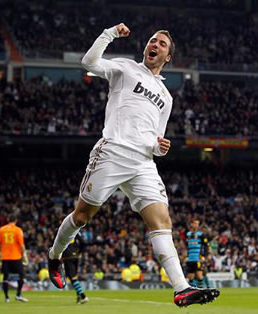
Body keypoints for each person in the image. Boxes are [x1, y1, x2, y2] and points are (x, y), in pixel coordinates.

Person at [47, 23, 219, 307]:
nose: (155, 44)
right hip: (113, 152)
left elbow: (156, 138)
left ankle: (181, 288)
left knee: (162, 221)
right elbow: (88, 62)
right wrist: (110, 33)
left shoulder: (166, 97)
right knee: (81, 217)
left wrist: (159, 148)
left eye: (162, 44)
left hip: (143, 163)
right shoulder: (125, 69)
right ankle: (55, 256)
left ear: (168, 57)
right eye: (153, 40)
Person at [0, 214, 28, 303]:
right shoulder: (18, 230)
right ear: (16, 220)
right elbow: (21, 244)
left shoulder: (1, 229)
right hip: (16, 256)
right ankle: (18, 294)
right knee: (21, 275)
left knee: (5, 277)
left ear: (8, 219)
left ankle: (6, 298)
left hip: (5, 257)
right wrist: (24, 255)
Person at [62, 233, 89, 304]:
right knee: (74, 277)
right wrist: (79, 251)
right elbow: (83, 242)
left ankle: (83, 296)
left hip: (67, 257)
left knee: (72, 278)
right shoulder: (75, 231)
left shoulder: (60, 231)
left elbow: (54, 244)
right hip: (75, 256)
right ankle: (79, 297)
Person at [186, 219, 209, 287]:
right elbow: (187, 246)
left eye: (198, 224)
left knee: (199, 276)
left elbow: (206, 246)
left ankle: (205, 288)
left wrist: (204, 256)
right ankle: (195, 292)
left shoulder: (201, 235)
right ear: (191, 224)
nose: (197, 225)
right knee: (190, 277)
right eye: (195, 223)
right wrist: (186, 256)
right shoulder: (188, 234)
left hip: (198, 258)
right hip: (190, 258)